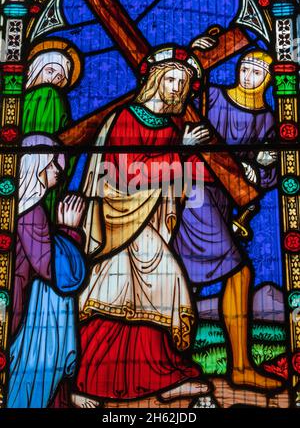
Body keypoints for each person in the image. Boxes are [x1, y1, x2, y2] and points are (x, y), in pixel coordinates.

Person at [71, 46, 212, 407]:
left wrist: (180, 156)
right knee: (112, 291)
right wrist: (180, 151)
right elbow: (123, 171)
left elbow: (170, 181)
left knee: (161, 289)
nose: (177, 87)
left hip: (147, 218)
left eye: (183, 82)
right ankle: (88, 382)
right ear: (154, 79)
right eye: (171, 79)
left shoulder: (168, 127)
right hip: (116, 219)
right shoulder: (125, 118)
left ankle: (159, 378)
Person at [174, 50, 281, 389]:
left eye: (257, 72)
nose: (247, 75)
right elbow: (177, 100)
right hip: (193, 191)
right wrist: (195, 53)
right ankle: (239, 366)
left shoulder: (266, 119)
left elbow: (269, 174)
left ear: (268, 80)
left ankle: (177, 362)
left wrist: (260, 167)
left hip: (222, 201)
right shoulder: (212, 95)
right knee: (239, 272)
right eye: (244, 68)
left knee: (183, 279)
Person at [7, 134, 86, 408]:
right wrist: (69, 230)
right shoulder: (31, 212)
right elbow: (57, 273)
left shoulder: (15, 206)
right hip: (14, 303)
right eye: (56, 167)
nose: (59, 175)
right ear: (39, 164)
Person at [22, 41, 81, 218]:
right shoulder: (48, 95)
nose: (54, 79)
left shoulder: (49, 96)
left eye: (61, 78)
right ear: (36, 68)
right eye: (50, 71)